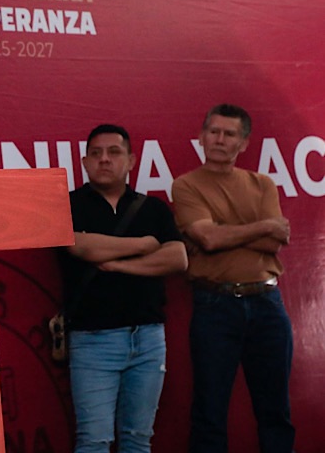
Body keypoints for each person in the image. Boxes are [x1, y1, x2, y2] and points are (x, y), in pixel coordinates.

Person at [172, 104, 295, 453]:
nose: (219, 139)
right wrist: (262, 226)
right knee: (209, 411)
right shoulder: (186, 185)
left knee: (275, 410)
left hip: (267, 304)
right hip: (215, 305)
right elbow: (209, 239)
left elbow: (275, 242)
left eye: (229, 134)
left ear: (243, 143)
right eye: (213, 132)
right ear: (201, 136)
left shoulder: (262, 183)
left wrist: (223, 232)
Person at [59, 124, 187, 453]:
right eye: (96, 153)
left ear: (131, 160)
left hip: (147, 339)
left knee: (137, 440)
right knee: (94, 441)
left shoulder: (153, 208)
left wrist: (118, 265)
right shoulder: (68, 205)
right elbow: (81, 246)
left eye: (113, 152)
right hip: (92, 341)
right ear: (85, 162)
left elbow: (177, 258)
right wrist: (143, 244)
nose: (104, 159)